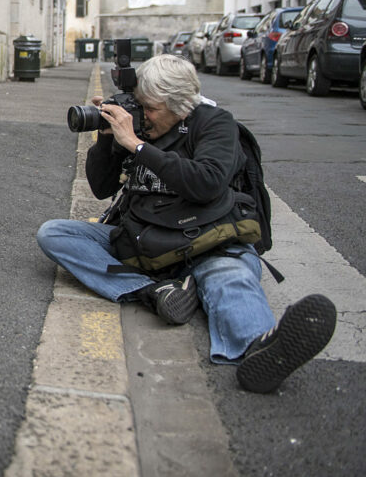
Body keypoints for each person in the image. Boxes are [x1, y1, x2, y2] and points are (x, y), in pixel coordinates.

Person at [36, 54, 336, 393]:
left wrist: (136, 145)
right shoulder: (140, 122)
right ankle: (155, 292)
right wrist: (108, 137)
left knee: (231, 279)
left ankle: (261, 350)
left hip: (206, 244)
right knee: (55, 234)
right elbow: (102, 187)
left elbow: (207, 182)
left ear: (181, 107)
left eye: (150, 109)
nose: (143, 115)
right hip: (142, 250)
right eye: (140, 105)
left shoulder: (215, 124)